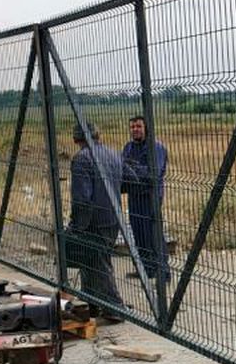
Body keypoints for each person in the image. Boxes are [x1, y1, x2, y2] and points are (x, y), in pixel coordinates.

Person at [68, 122, 124, 318]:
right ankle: (90, 303)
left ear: (76, 139)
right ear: (97, 135)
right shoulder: (114, 154)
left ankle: (114, 307)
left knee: (99, 263)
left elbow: (82, 198)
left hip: (93, 221)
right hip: (113, 217)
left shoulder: (81, 159)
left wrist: (76, 226)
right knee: (90, 260)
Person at [121, 115, 169, 282]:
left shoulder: (156, 148)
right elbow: (123, 170)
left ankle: (163, 272)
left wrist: (132, 169)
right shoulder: (128, 147)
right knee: (138, 232)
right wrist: (135, 171)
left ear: (146, 128)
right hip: (135, 196)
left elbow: (153, 174)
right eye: (133, 127)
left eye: (139, 126)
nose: (135, 130)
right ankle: (146, 269)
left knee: (153, 233)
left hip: (151, 197)